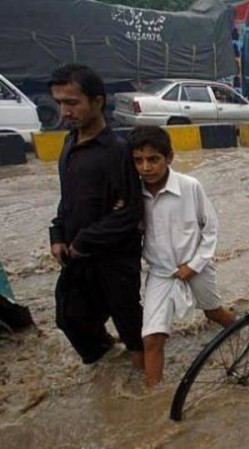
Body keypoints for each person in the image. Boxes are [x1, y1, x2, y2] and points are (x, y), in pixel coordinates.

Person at [48, 64, 144, 366]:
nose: (65, 111)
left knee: (130, 324)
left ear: (98, 102)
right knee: (69, 316)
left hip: (115, 258)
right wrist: (58, 235)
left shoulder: (118, 151)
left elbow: (130, 212)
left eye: (72, 102)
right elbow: (68, 198)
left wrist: (85, 239)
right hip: (77, 254)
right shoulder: (68, 144)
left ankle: (145, 390)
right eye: (60, 103)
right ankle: (105, 358)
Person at [128, 126, 236, 387]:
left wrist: (195, 264)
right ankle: (153, 400)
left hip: (196, 266)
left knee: (214, 313)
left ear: (169, 158)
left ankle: (248, 330)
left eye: (153, 159)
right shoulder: (132, 193)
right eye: (138, 161)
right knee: (152, 338)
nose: (146, 167)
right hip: (160, 273)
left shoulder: (190, 187)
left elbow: (210, 228)